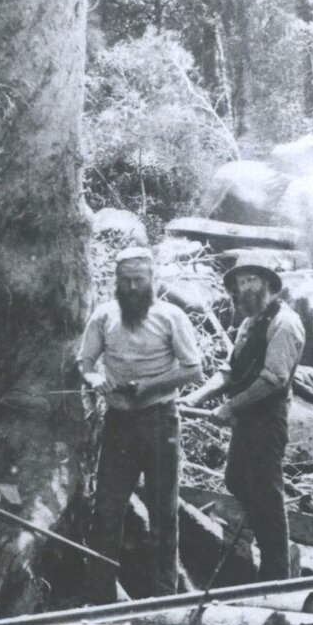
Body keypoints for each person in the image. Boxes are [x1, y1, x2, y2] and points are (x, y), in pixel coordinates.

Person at [78, 246, 207, 599]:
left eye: (139, 280)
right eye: (125, 281)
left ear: (153, 280)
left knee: (164, 514)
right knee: (107, 511)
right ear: (116, 283)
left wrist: (149, 386)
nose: (132, 287)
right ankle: (100, 595)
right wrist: (93, 379)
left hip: (161, 423)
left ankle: (164, 596)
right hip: (119, 424)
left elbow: (193, 369)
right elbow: (85, 362)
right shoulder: (103, 317)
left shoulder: (171, 317)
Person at [185, 250, 308, 581]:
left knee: (267, 492)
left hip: (268, 419)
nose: (244, 288)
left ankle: (276, 571)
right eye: (239, 282)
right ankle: (249, 548)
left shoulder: (285, 323)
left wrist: (230, 406)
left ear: (268, 283)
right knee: (237, 479)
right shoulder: (250, 324)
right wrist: (198, 396)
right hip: (247, 420)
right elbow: (228, 370)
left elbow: (274, 379)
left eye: (251, 279)